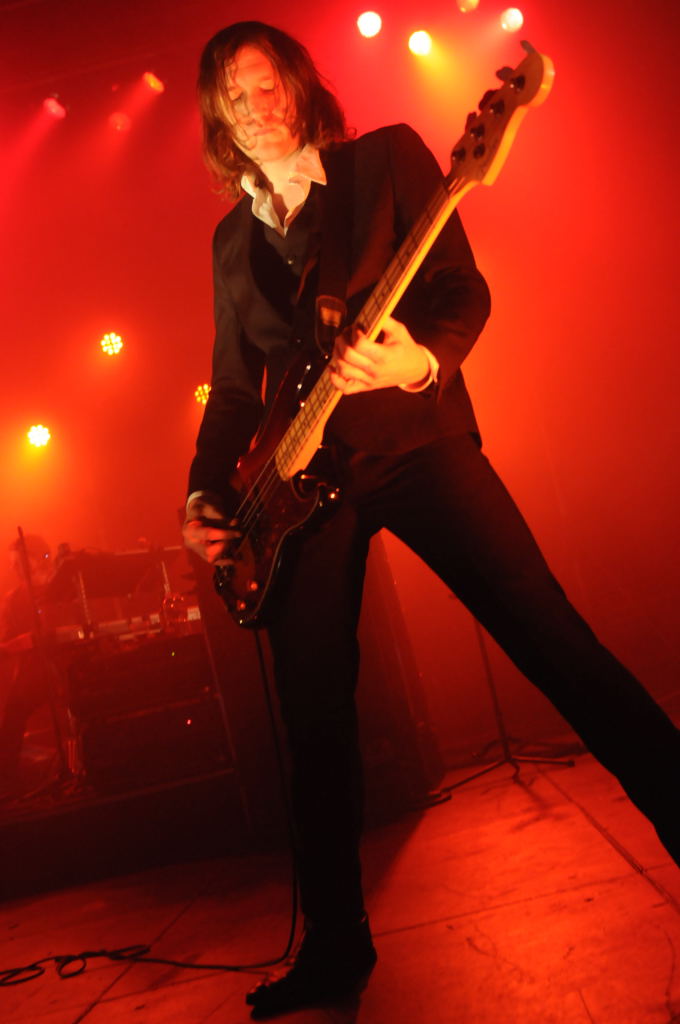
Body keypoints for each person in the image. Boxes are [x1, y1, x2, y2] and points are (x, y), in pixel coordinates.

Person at [182, 21, 679, 1019]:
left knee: (555, 643)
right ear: (218, 122)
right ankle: (335, 946)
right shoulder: (230, 242)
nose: (258, 106)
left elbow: (461, 285)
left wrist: (418, 360)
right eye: (237, 96)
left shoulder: (385, 162)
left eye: (269, 85)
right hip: (300, 489)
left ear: (299, 88)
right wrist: (204, 493)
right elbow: (235, 390)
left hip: (417, 444)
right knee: (314, 720)